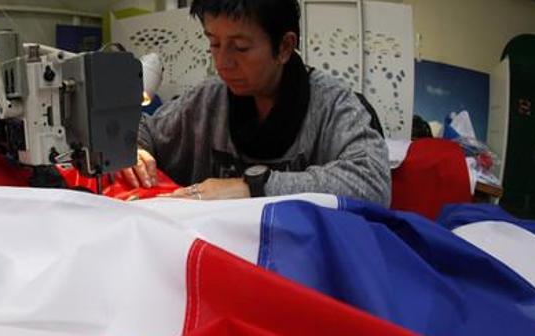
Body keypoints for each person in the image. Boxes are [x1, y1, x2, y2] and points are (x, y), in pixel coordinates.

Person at [121, 0, 391, 206]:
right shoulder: (207, 99)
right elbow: (144, 130)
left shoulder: (333, 104)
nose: (223, 63)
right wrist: (135, 148)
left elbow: (373, 184)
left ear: (285, 47)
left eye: (240, 47)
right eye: (214, 43)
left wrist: (251, 187)